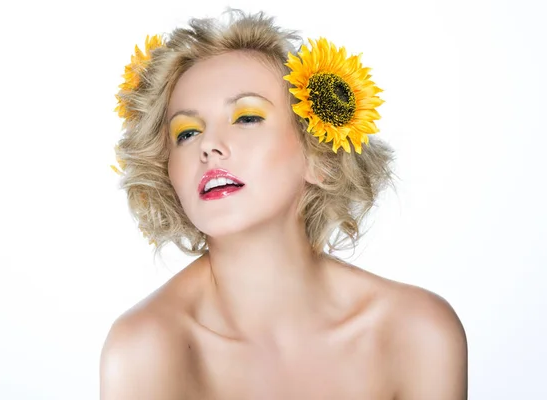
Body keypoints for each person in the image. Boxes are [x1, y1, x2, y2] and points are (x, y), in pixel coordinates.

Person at [100, 10, 467, 400]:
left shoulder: (418, 332)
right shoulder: (142, 351)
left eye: (246, 118)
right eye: (187, 132)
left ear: (319, 158)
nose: (208, 146)